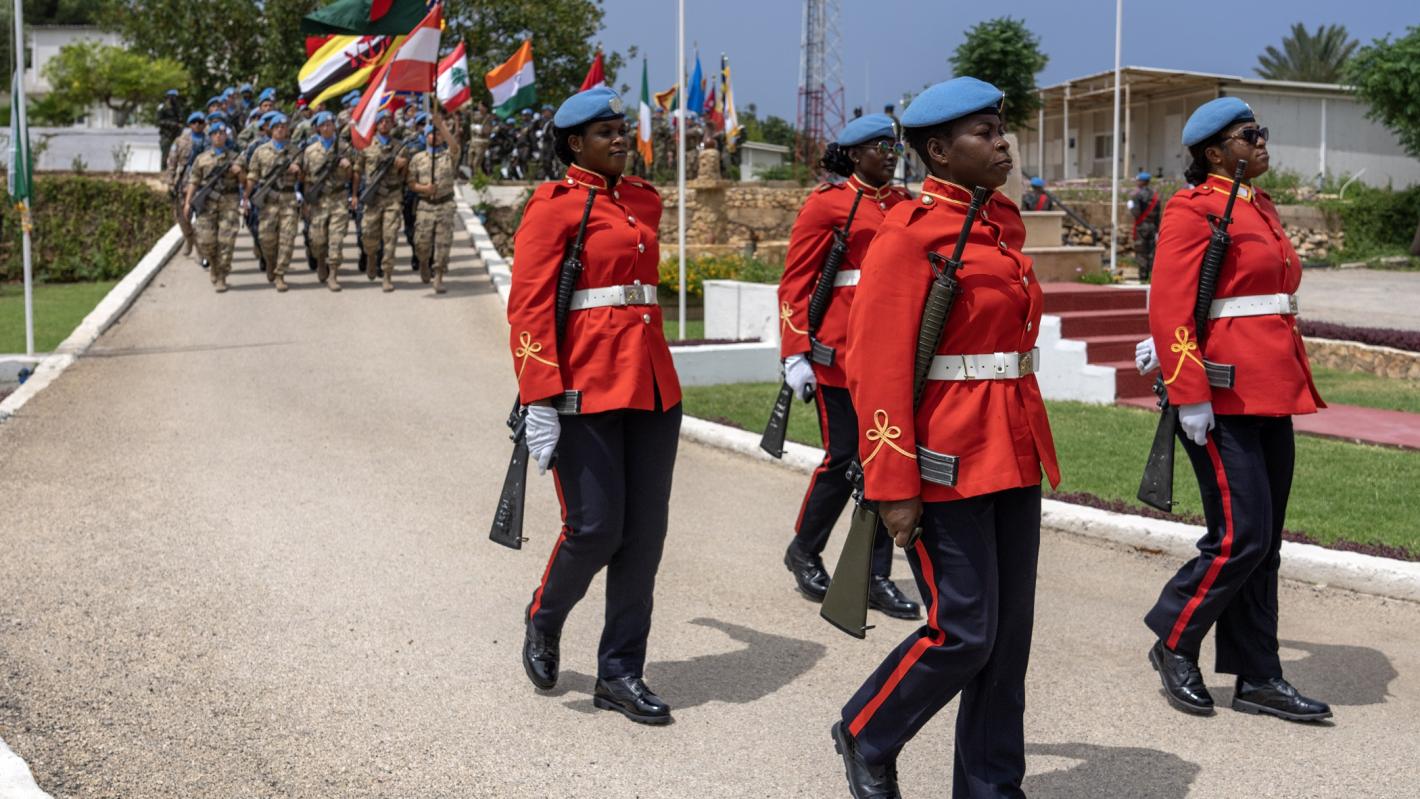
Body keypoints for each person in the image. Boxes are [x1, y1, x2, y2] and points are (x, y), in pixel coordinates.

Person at [831, 77, 1061, 798]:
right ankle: (868, 729)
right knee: (963, 628)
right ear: (938, 151)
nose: (1003, 143)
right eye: (984, 133)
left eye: (1001, 130)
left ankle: (992, 787)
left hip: (1012, 445)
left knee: (1007, 640)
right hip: (945, 455)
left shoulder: (1000, 224)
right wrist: (892, 483)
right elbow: (876, 368)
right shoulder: (908, 235)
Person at [1137, 96, 1331, 724]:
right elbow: (1170, 302)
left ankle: (1258, 675)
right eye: (1251, 134)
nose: (1262, 140)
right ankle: (1174, 638)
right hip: (1221, 395)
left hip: (1271, 388)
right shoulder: (1192, 208)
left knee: (1264, 542)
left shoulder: (1258, 206)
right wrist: (1188, 390)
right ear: (1216, 153)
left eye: (1261, 131)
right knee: (1239, 535)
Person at [509, 86, 682, 726]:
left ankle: (620, 673)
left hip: (652, 386)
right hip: (585, 386)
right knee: (595, 529)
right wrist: (540, 396)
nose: (618, 139)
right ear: (575, 143)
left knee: (643, 539)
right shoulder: (553, 207)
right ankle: (545, 616)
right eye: (604, 132)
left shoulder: (643, 199)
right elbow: (529, 307)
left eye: (620, 129)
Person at [778, 113, 920, 622]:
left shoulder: (905, 204)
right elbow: (796, 280)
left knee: (885, 461)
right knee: (844, 459)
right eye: (880, 146)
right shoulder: (828, 203)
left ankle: (875, 575)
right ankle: (804, 550)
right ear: (854, 154)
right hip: (840, 355)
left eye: (893, 146)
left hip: (893, 353)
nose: (890, 154)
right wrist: (794, 351)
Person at [245, 114, 303, 291]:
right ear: (270, 129)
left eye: (283, 127)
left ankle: (280, 274)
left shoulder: (295, 151)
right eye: (277, 127)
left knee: (287, 239)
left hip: (288, 200)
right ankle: (270, 261)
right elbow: (253, 176)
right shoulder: (260, 151)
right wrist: (245, 197)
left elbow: (304, 177)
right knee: (265, 238)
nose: (280, 129)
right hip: (268, 201)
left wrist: (297, 170)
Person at [184, 121, 244, 293]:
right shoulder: (201, 158)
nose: (218, 136)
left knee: (226, 242)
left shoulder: (236, 158)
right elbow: (194, 181)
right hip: (207, 204)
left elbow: (245, 181)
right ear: (210, 137)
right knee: (205, 241)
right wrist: (188, 202)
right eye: (215, 133)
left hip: (229, 203)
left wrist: (239, 172)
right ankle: (214, 266)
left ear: (226, 136)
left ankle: (222, 276)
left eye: (222, 133)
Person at [353, 110, 410, 291]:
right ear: (376, 125)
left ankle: (387, 275)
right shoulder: (366, 146)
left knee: (390, 237)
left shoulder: (400, 147)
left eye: (387, 121)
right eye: (381, 121)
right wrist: (354, 195)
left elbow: (406, 176)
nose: (384, 124)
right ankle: (371, 256)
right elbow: (357, 171)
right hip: (373, 197)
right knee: (368, 234)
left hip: (392, 197)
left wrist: (403, 165)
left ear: (392, 124)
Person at [301, 111, 353, 291]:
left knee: (336, 238)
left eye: (329, 124)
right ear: (318, 128)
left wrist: (348, 167)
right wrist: (306, 202)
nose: (326, 127)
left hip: (338, 198)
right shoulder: (310, 151)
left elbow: (353, 176)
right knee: (317, 240)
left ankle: (333, 274)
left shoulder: (344, 148)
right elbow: (306, 178)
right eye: (323, 125)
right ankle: (321, 262)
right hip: (318, 200)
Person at [407, 114, 458, 294]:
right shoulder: (418, 158)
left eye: (438, 134)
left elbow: (455, 147)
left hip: (445, 205)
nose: (435, 136)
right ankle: (423, 263)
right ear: (426, 136)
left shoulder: (448, 155)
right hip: (425, 205)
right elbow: (411, 183)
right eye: (432, 133)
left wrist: (442, 126)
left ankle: (439, 277)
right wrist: (424, 188)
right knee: (421, 243)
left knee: (443, 244)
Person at [166, 111, 207, 256]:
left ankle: (201, 250)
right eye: (194, 122)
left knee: (203, 218)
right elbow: (172, 161)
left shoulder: (209, 140)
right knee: (182, 216)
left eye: (200, 122)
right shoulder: (180, 141)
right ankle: (189, 237)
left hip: (203, 183)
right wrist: (170, 181)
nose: (197, 125)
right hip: (183, 182)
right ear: (190, 124)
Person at [1129, 171, 1163, 282]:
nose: (1137, 182)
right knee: (1152, 251)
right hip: (1153, 227)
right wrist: (1157, 229)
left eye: (1138, 180)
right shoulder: (1155, 196)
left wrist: (1130, 207)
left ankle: (1143, 276)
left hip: (1142, 227)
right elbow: (1158, 215)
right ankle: (1152, 276)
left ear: (1142, 181)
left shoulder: (1137, 195)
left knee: (1141, 251)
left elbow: (1136, 213)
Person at [157, 89, 184, 164]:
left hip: (177, 134)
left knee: (178, 155)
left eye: (175, 97)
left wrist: (179, 127)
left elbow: (181, 121)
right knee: (165, 156)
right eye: (172, 97)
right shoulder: (162, 107)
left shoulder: (178, 108)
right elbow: (159, 121)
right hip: (166, 134)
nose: (174, 99)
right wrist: (172, 124)